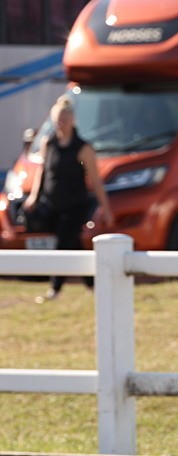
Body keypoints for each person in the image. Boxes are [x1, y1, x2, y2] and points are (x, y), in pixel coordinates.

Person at [24, 97, 113, 302]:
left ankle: (54, 289)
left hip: (75, 206)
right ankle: (93, 286)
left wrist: (106, 210)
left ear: (72, 120)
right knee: (74, 244)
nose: (60, 124)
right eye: (57, 120)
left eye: (64, 119)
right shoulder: (49, 143)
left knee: (63, 244)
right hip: (53, 204)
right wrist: (35, 197)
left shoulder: (83, 148)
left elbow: (96, 182)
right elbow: (42, 172)